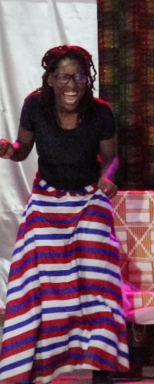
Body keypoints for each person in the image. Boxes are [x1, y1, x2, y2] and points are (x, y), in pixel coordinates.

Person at [0, 45, 129, 384]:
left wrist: (108, 177)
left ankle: (102, 368)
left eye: (79, 76)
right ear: (51, 80)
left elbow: (112, 158)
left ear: (89, 79)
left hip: (89, 198)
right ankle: (26, 366)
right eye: (63, 76)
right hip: (47, 198)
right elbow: (22, 148)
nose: (71, 83)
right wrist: (9, 150)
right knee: (31, 271)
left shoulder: (101, 112)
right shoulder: (34, 106)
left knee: (99, 272)